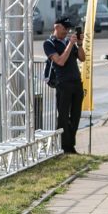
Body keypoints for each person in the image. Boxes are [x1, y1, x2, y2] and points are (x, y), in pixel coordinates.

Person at [43, 17, 86, 154]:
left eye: (69, 28)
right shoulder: (49, 43)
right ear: (56, 27)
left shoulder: (70, 42)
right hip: (63, 83)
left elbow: (82, 58)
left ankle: (70, 145)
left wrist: (79, 44)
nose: (67, 31)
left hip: (76, 82)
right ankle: (63, 146)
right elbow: (60, 61)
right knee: (63, 117)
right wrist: (70, 45)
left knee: (75, 116)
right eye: (64, 28)